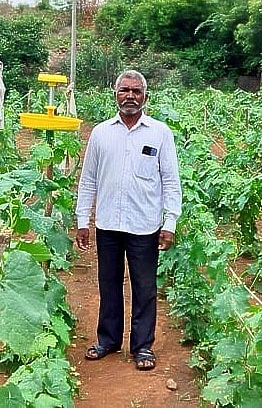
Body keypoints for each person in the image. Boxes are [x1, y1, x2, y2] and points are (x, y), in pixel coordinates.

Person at [75, 69, 182, 371]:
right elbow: (88, 180)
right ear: (115, 95)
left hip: (144, 225)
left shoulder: (160, 133)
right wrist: (83, 219)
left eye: (136, 91)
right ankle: (108, 340)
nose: (130, 96)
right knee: (108, 284)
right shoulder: (100, 133)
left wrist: (170, 222)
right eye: (125, 90)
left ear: (145, 97)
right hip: (107, 223)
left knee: (144, 287)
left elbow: (171, 182)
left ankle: (142, 346)